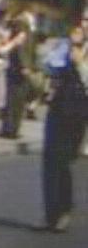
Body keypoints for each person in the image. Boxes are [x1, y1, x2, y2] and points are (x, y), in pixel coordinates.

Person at [37, 26, 88, 232]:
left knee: (64, 159)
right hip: (60, 105)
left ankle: (64, 209)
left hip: (80, 109)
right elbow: (49, 66)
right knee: (51, 159)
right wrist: (64, 49)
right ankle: (52, 213)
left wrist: (80, 63)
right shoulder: (66, 46)